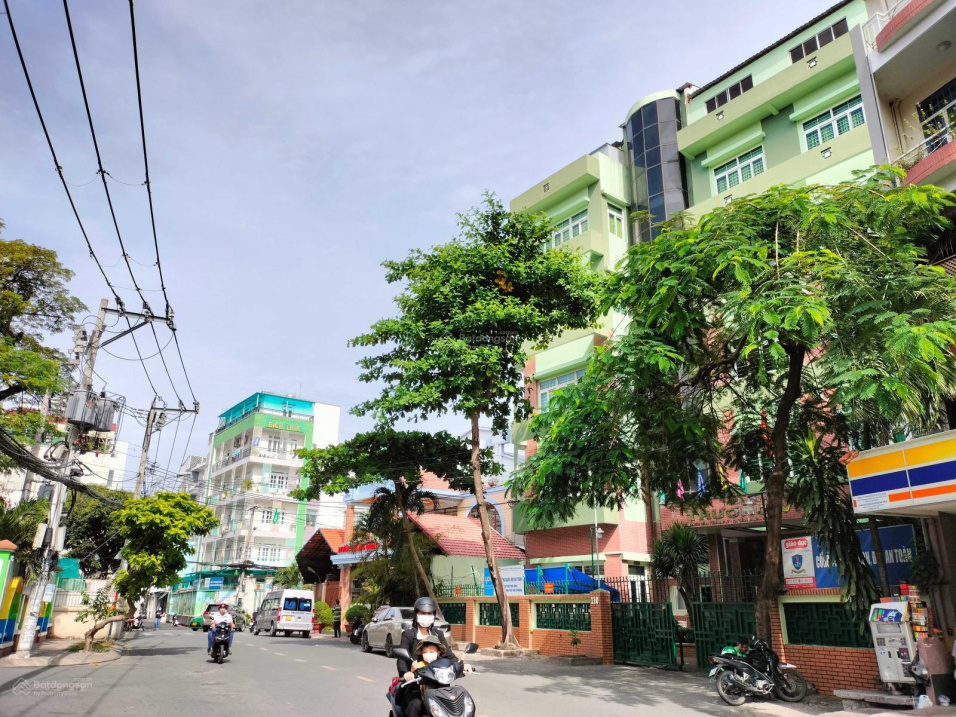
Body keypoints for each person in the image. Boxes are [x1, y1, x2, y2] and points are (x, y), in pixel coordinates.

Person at [397, 597, 463, 717]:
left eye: (429, 613)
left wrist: (462, 665)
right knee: (415, 705)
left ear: (433, 615)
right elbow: (402, 659)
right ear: (416, 614)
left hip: (439, 682)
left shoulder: (438, 634)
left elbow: (449, 655)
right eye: (423, 613)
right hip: (415, 684)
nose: (426, 616)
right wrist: (406, 673)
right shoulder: (409, 634)